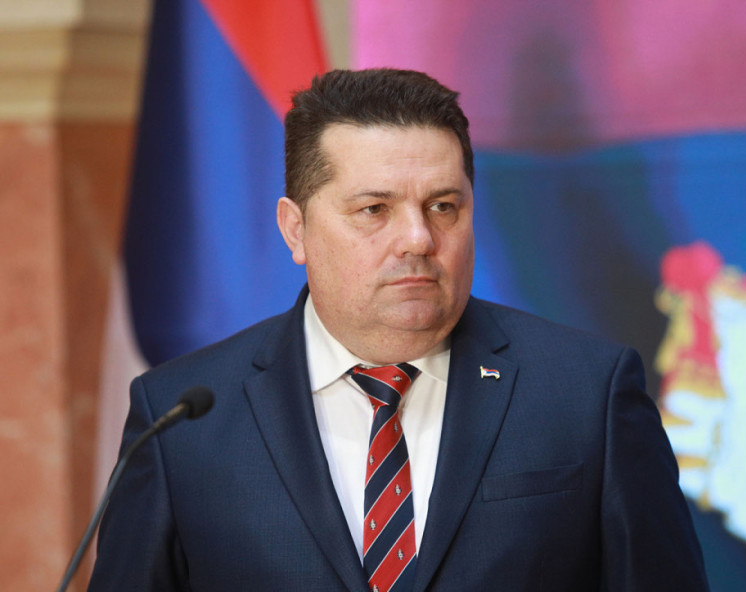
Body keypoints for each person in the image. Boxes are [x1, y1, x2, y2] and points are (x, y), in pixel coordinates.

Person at [90, 68, 709, 591]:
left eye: (443, 206)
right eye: (374, 209)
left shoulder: (587, 394)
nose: (418, 239)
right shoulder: (181, 419)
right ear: (296, 229)